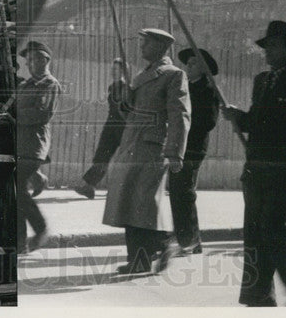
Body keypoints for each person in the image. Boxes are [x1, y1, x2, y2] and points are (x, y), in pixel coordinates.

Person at [223, 20, 286, 307]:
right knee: (254, 233)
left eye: (274, 46)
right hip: (255, 170)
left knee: (273, 229)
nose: (267, 52)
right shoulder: (261, 81)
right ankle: (258, 295)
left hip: (283, 172)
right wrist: (237, 116)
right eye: (266, 46)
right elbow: (255, 121)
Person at [102, 29, 190, 275]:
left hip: (153, 147)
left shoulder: (173, 75)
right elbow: (128, 113)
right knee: (131, 201)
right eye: (141, 41)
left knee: (144, 202)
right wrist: (122, 102)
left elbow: (180, 114)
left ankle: (164, 245)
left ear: (161, 46)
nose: (141, 47)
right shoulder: (141, 75)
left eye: (146, 42)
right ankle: (138, 259)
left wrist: (174, 151)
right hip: (131, 144)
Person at [157, 47, 220, 267]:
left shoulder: (208, 89)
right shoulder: (183, 86)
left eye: (193, 63)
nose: (188, 66)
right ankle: (191, 239)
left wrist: (186, 118)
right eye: (188, 63)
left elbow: (209, 122)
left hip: (193, 146)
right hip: (179, 144)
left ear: (204, 68)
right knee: (178, 189)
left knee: (182, 190)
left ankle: (188, 240)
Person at [16, 40, 61, 253]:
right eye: (28, 60)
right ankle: (20, 243)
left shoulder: (49, 84)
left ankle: (41, 228)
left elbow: (41, 113)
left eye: (35, 59)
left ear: (46, 59)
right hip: (20, 144)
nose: (30, 63)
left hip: (33, 144)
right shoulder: (25, 85)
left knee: (17, 187)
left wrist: (13, 115)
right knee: (16, 191)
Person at [74, 58, 130, 199]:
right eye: (112, 69)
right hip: (111, 125)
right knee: (102, 155)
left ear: (123, 71)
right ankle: (89, 186)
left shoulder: (127, 87)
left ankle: (123, 189)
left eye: (116, 69)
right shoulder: (112, 87)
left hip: (123, 126)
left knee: (124, 159)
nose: (112, 71)